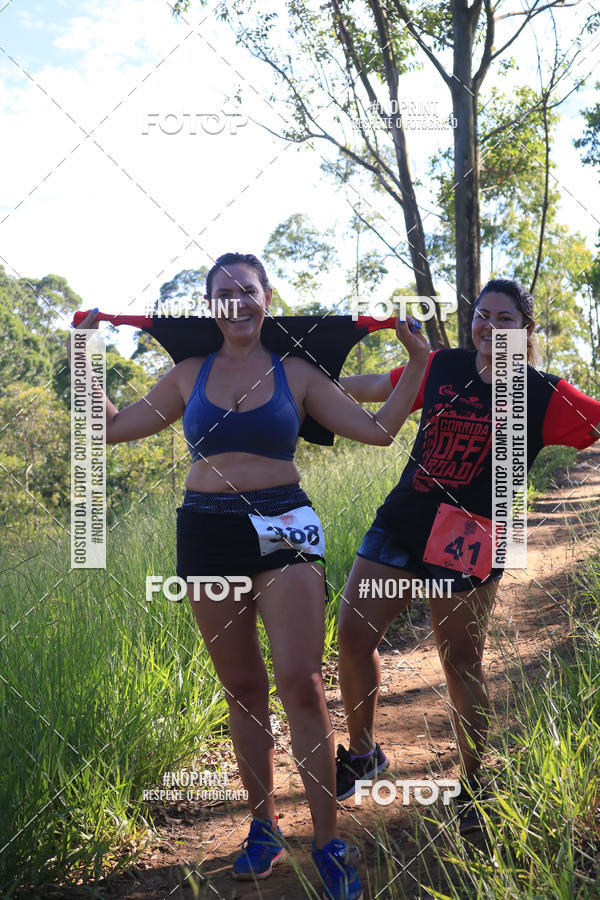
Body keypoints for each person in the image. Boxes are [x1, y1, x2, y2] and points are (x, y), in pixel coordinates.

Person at [67, 252, 430, 900]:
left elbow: (378, 431)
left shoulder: (297, 373)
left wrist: (420, 361)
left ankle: (328, 841)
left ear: (267, 298)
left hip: (285, 522)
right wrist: (82, 353)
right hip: (206, 532)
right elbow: (113, 429)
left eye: (247, 290)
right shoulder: (190, 374)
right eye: (224, 293)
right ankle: (264, 827)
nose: (236, 302)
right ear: (211, 306)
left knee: (303, 684)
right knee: (241, 688)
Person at [336, 278, 600, 833]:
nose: (490, 327)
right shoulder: (440, 366)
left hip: (473, 536)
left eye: (505, 319)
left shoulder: (545, 394)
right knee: (354, 636)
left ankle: (477, 784)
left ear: (525, 330)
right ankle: (362, 753)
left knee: (459, 659)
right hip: (403, 522)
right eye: (483, 315)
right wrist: (306, 381)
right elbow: (377, 387)